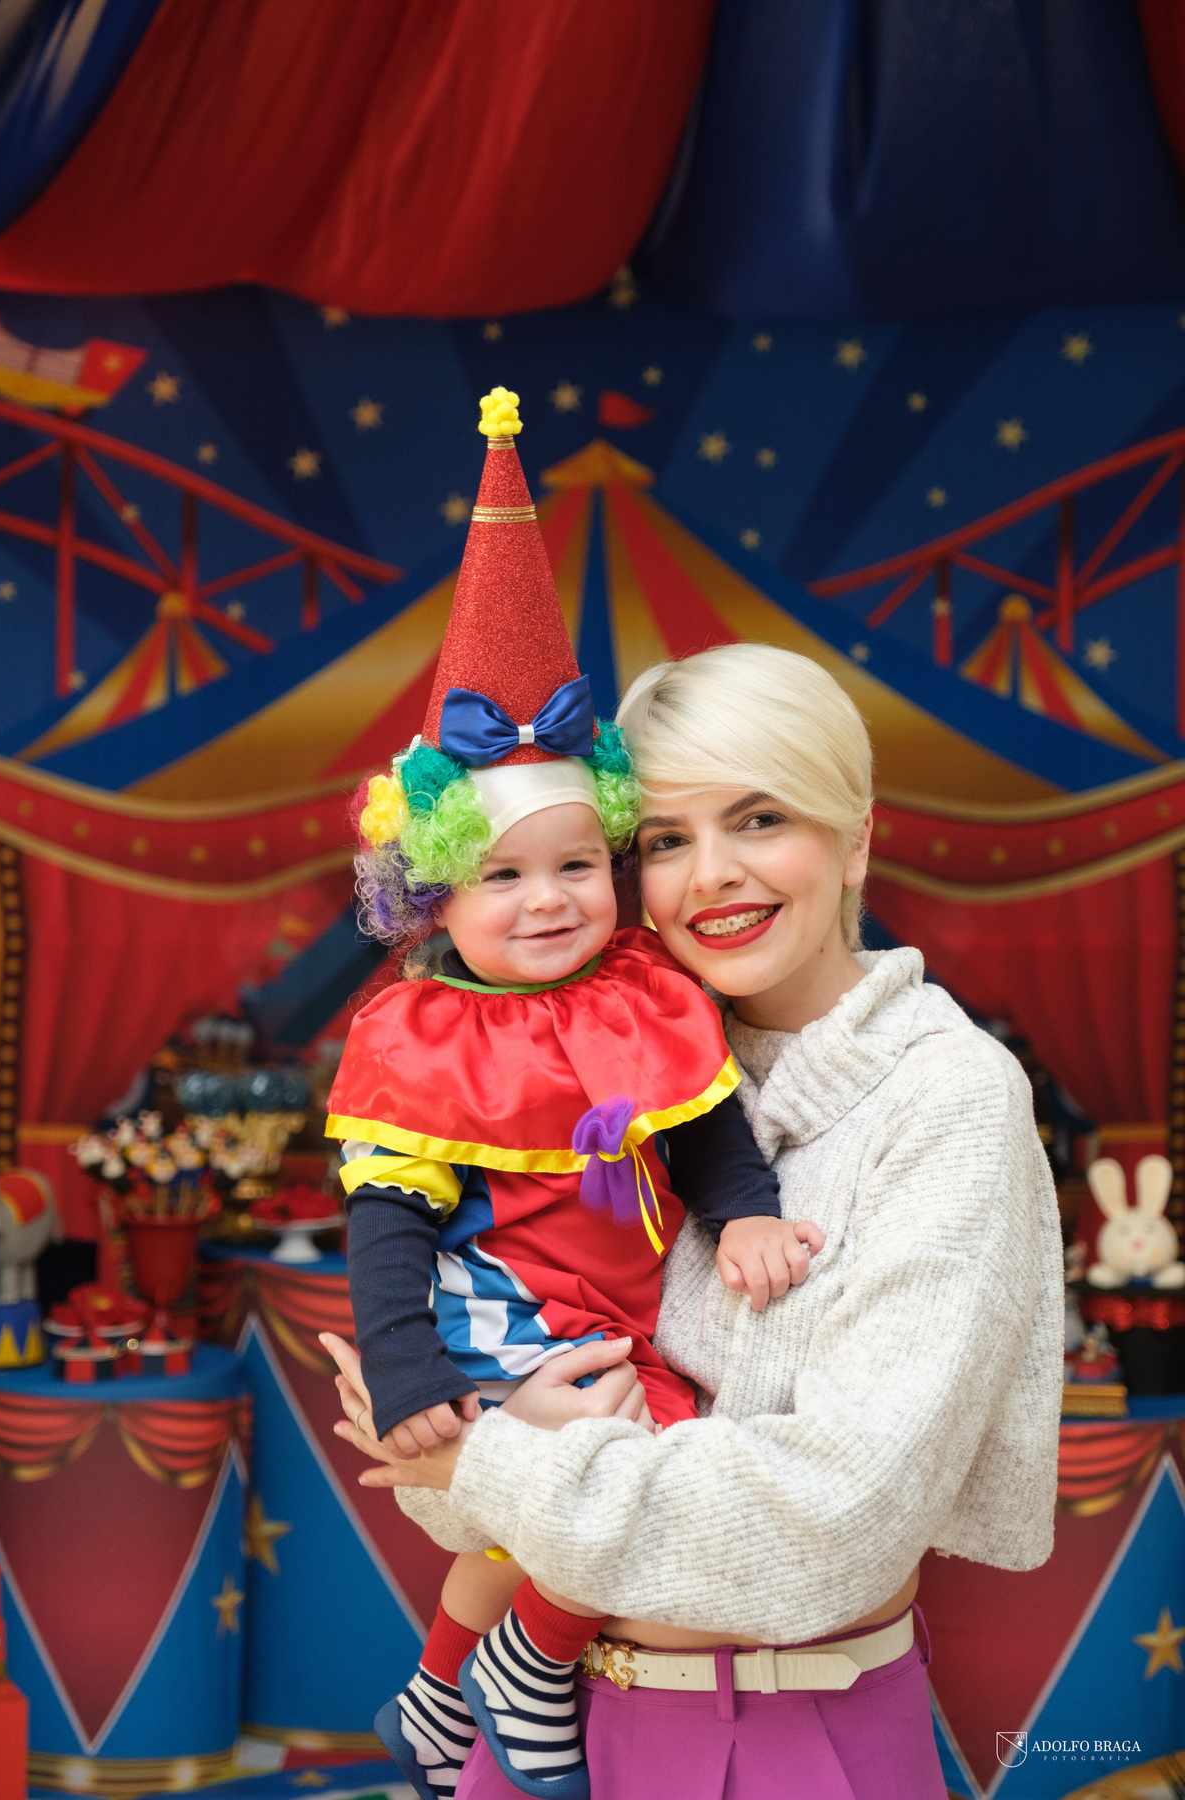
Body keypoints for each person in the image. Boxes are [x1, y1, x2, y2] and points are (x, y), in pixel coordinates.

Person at [325, 640, 1064, 1800]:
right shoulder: (601, 1057)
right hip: (544, 1727)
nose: (710, 875)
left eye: (760, 818)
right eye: (667, 840)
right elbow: (448, 1486)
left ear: (856, 838)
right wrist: (468, 1429)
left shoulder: (947, 1097)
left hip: (784, 1732)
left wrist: (496, 1457)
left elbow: (842, 1518)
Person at [327, 396, 818, 1800]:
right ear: (434, 898)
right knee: (629, 1468)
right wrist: (408, 1367)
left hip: (617, 1303)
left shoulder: (646, 989)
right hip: (510, 1308)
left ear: (614, 862)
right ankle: (529, 1670)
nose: (546, 900)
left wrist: (748, 1217)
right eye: (502, 876)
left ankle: (438, 1698)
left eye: (576, 866)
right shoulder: (422, 1034)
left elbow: (705, 1129)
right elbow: (385, 1222)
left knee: (563, 1504)